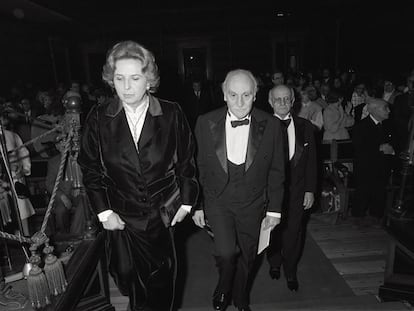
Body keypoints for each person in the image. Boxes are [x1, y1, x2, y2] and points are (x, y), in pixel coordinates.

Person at [78, 40, 199, 311]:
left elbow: (186, 162)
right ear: (112, 80)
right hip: (121, 217)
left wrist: (188, 202)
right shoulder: (99, 117)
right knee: (127, 277)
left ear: (149, 80)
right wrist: (104, 213)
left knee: (162, 282)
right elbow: (90, 167)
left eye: (135, 78)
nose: (127, 86)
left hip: (161, 213)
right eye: (119, 78)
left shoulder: (171, 113)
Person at [192, 69, 285, 311]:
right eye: (233, 95)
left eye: (246, 95)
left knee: (248, 255)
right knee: (225, 253)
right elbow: (198, 166)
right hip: (217, 201)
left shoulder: (273, 125)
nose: (240, 102)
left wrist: (274, 210)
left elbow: (277, 170)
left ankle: (241, 295)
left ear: (256, 95)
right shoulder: (205, 122)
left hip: (253, 203)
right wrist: (197, 204)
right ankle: (224, 287)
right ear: (224, 95)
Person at [266, 85, 317, 292]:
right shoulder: (261, 126)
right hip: (270, 193)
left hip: (297, 191)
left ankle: (290, 270)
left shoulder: (305, 126)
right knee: (273, 231)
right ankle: (274, 262)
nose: (282, 103)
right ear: (270, 102)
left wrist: (310, 190)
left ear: (293, 100)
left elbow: (312, 162)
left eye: (286, 99)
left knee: (294, 232)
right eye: (278, 100)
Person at [352, 98, 395, 227]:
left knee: (379, 191)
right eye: (385, 108)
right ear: (374, 110)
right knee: (363, 191)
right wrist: (379, 148)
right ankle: (358, 216)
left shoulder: (389, 124)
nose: (388, 111)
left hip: (383, 166)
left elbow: (396, 142)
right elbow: (358, 148)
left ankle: (376, 215)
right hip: (366, 167)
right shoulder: (362, 126)